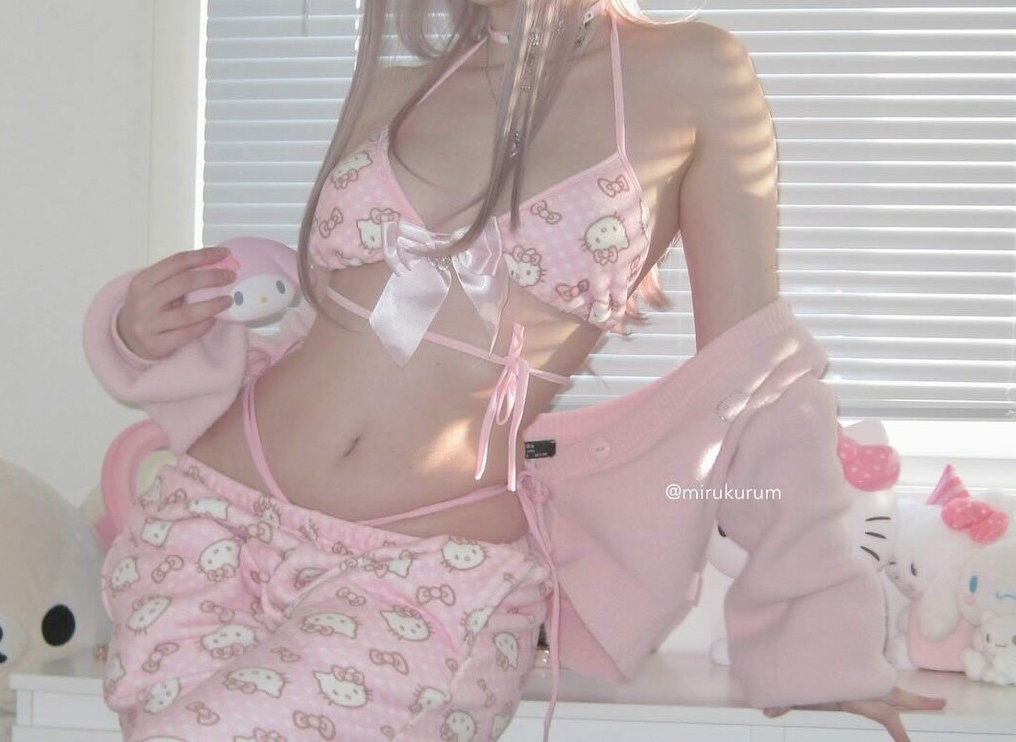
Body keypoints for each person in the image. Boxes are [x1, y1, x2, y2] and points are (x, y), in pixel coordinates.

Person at [85, 0, 946, 740]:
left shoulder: (692, 71)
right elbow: (326, 329)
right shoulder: (399, 83)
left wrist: (822, 639)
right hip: (206, 521)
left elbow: (756, 376)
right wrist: (143, 331)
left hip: (423, 578)